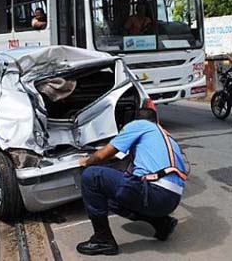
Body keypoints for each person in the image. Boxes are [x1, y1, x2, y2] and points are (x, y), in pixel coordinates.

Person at [76, 108, 187, 256]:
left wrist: (86, 161)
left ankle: (103, 240)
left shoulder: (139, 125)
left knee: (91, 175)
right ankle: (163, 223)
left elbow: (103, 154)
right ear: (156, 120)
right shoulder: (167, 137)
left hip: (154, 192)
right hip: (171, 199)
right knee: (111, 200)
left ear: (137, 120)